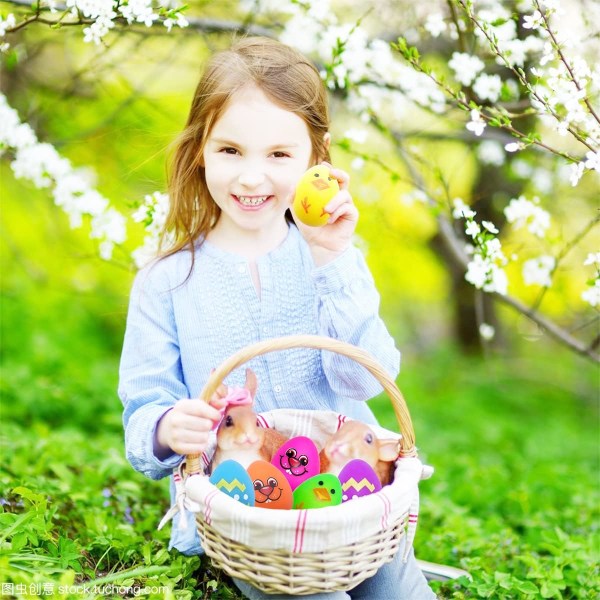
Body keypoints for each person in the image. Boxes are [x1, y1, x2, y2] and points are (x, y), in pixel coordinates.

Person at [119, 36, 436, 600]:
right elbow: (143, 411)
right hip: (246, 514)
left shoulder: (334, 259)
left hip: (349, 497)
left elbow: (365, 378)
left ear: (317, 157)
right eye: (230, 151)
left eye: (279, 155)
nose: (251, 178)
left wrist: (332, 259)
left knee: (398, 593)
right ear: (200, 149)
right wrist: (170, 427)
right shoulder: (166, 281)